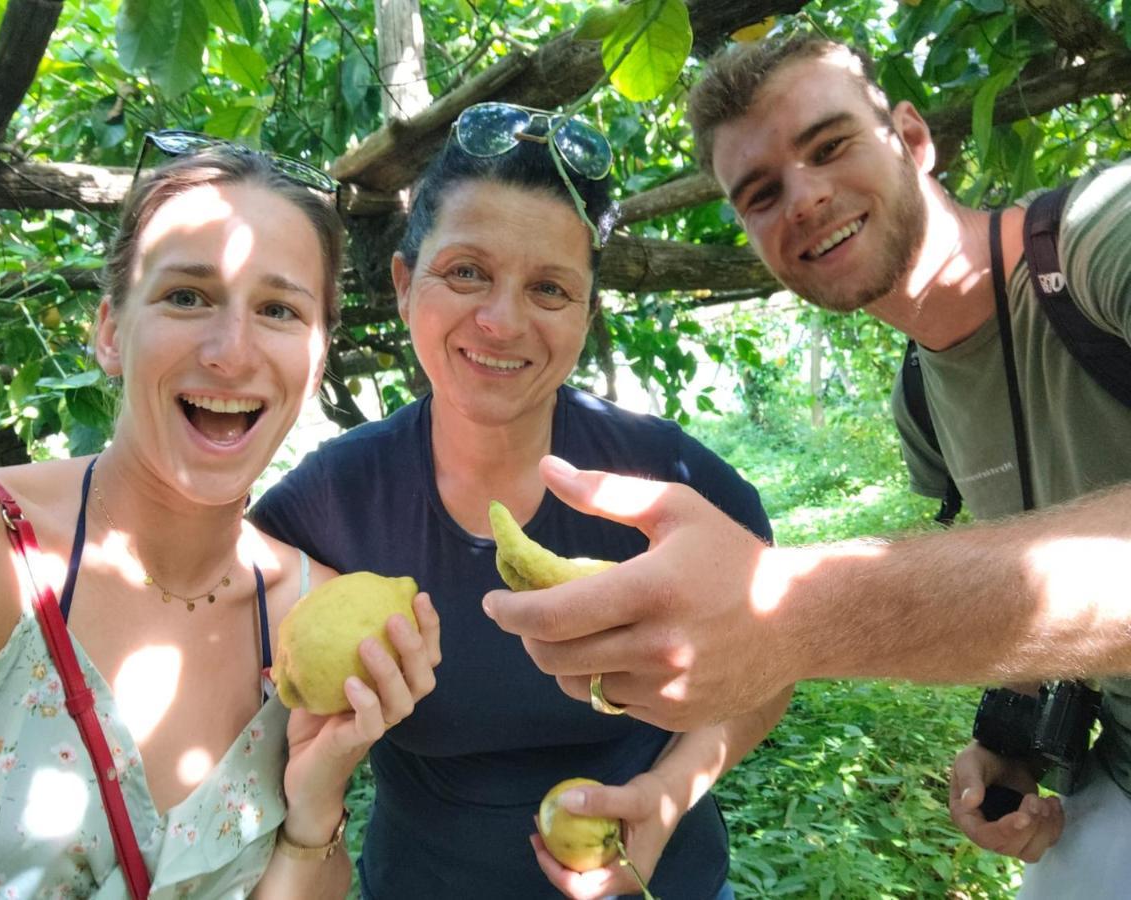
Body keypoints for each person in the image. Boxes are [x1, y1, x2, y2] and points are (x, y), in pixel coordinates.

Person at [479, 32, 1131, 895]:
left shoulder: (1099, 236)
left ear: (914, 137)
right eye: (759, 194)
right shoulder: (924, 400)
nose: (807, 197)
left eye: (830, 146)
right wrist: (1011, 743)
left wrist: (793, 613)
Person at [250, 102, 783, 900]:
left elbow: (769, 668)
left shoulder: (672, 484)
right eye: (466, 272)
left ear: (586, 314)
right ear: (404, 283)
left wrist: (667, 795)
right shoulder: (327, 505)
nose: (501, 322)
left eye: (549, 288)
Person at [0, 146, 440, 898]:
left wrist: (314, 796)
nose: (231, 353)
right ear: (109, 332)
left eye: (278, 310)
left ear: (317, 357)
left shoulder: (312, 615)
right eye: (187, 297)